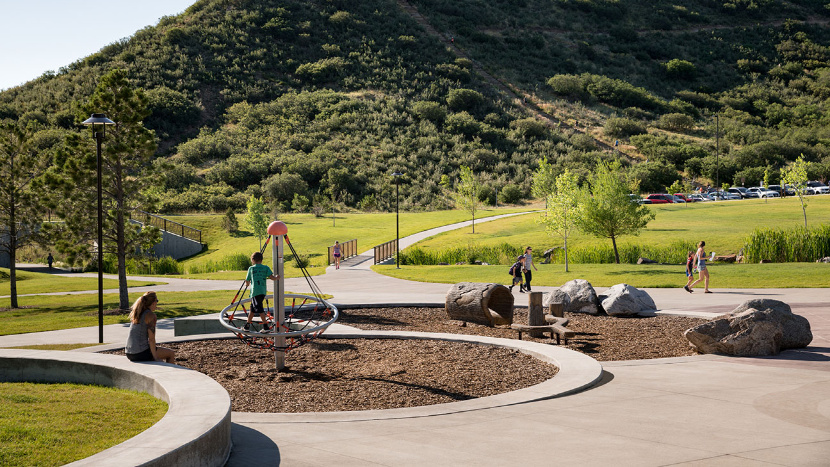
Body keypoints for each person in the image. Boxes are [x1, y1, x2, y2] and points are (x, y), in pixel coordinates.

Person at [125, 291, 175, 363]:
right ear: (153, 302)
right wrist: (155, 357)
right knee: (171, 353)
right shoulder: (151, 316)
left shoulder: (137, 313)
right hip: (140, 353)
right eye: (157, 301)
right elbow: (151, 339)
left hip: (129, 353)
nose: (157, 303)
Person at [244, 251, 277, 332]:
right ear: (262, 260)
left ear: (253, 260)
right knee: (252, 309)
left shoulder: (251, 268)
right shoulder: (265, 268)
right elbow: (272, 277)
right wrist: (277, 277)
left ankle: (266, 327)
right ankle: (247, 325)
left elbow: (247, 280)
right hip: (262, 291)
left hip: (255, 292)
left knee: (259, 308)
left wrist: (247, 284)